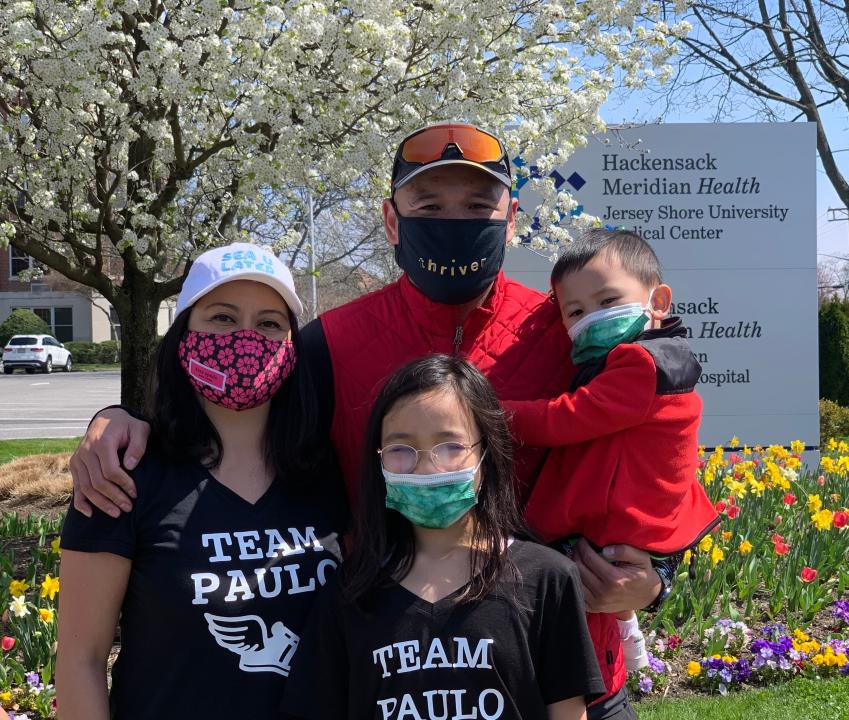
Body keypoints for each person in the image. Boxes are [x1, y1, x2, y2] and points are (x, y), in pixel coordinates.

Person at [66, 123, 664, 713]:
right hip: (391, 681)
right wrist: (118, 417)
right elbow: (236, 400)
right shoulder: (331, 343)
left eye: (478, 205)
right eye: (429, 203)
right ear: (390, 219)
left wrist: (655, 576)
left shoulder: (566, 330)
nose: (453, 222)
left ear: (510, 219)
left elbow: (656, 450)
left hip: (570, 674)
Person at [55, 244, 345, 719]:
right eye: (222, 318)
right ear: (184, 333)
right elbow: (80, 660)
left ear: (293, 345)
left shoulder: (326, 474)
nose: (246, 338)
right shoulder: (122, 475)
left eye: (270, 323)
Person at [280, 355, 605, 720]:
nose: (426, 465)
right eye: (400, 449)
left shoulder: (547, 579)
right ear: (379, 460)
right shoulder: (350, 592)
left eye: (450, 446)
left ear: (486, 453)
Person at [502, 229, 720, 677]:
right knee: (602, 592)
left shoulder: (640, 363)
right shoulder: (658, 359)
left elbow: (568, 418)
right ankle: (633, 649)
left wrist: (494, 415)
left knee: (551, 569)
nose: (591, 319)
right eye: (575, 311)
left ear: (658, 302)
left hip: (620, 516)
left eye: (607, 302)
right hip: (639, 517)